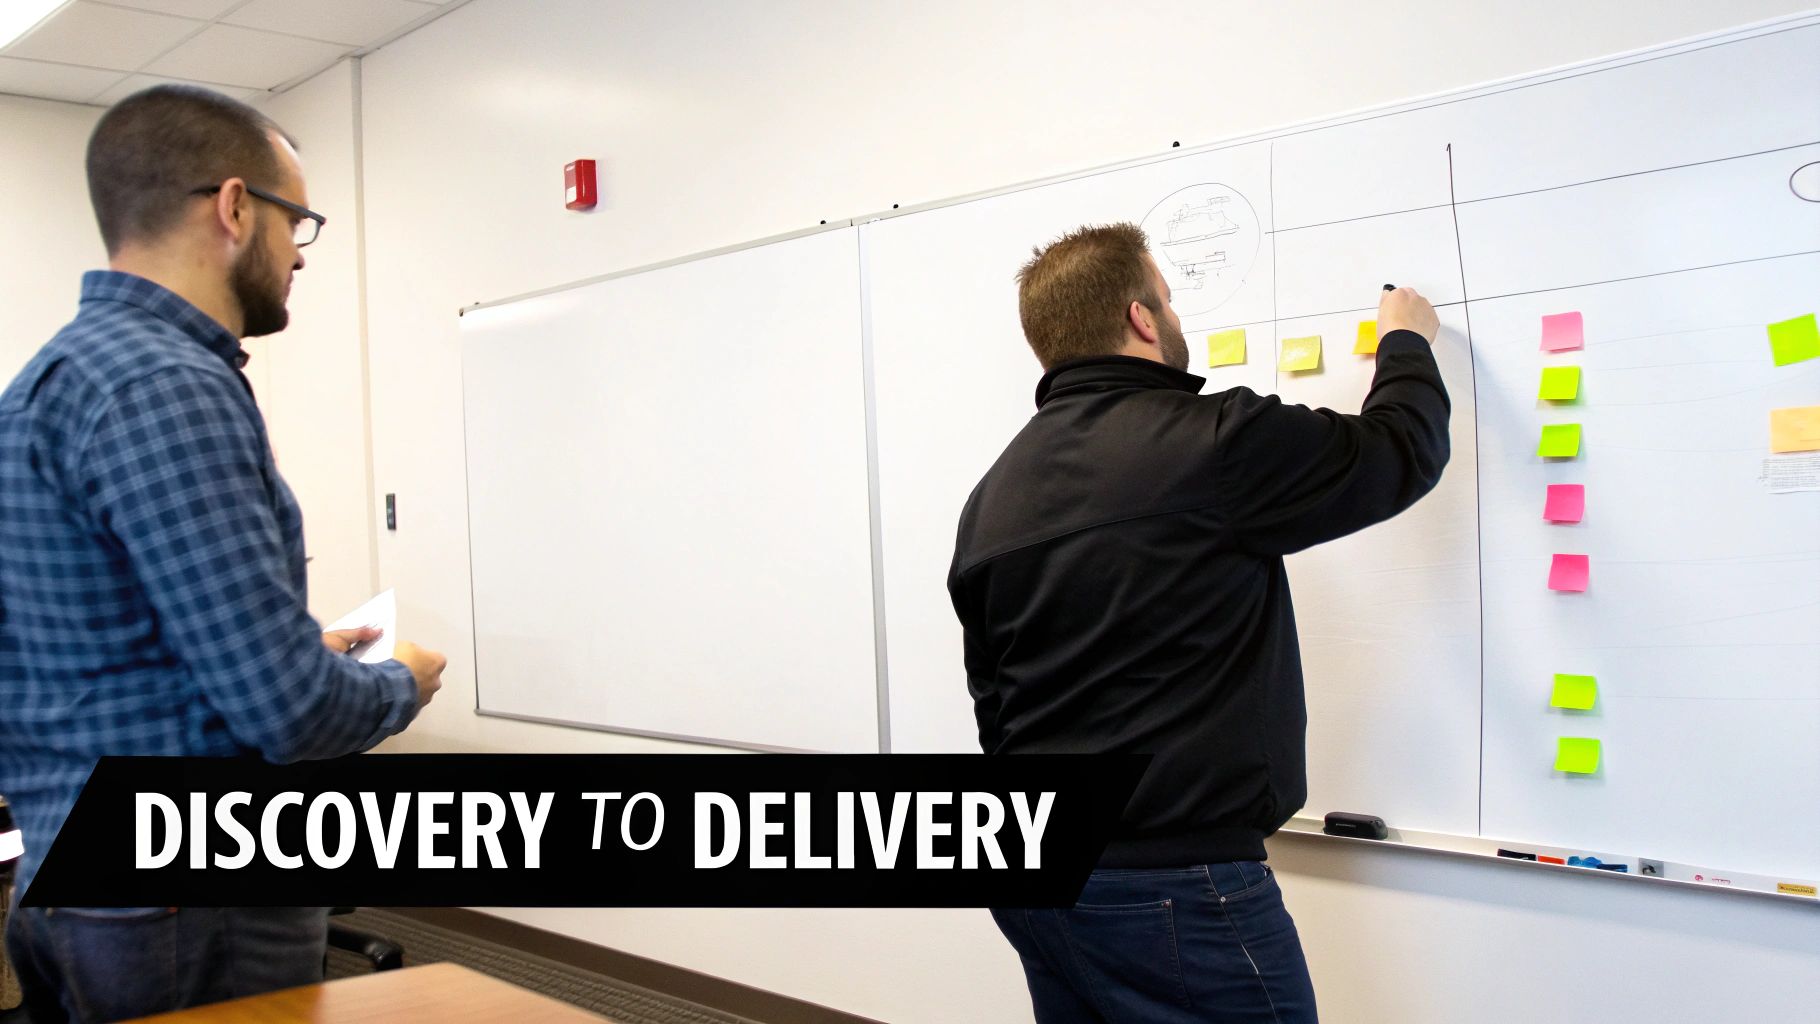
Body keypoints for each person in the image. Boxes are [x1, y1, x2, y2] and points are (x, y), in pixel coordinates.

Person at [0, 85, 448, 1023]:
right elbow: (291, 717)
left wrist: (291, 648)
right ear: (236, 207)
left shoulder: (46, 381)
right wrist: (400, 680)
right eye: (300, 223)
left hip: (70, 882)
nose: (298, 256)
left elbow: (89, 647)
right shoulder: (168, 386)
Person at [948, 223, 1449, 1022]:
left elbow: (993, 706)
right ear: (1143, 318)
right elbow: (1398, 450)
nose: (1176, 318)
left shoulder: (991, 497)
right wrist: (1406, 343)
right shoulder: (1213, 442)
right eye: (1170, 301)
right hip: (1172, 888)